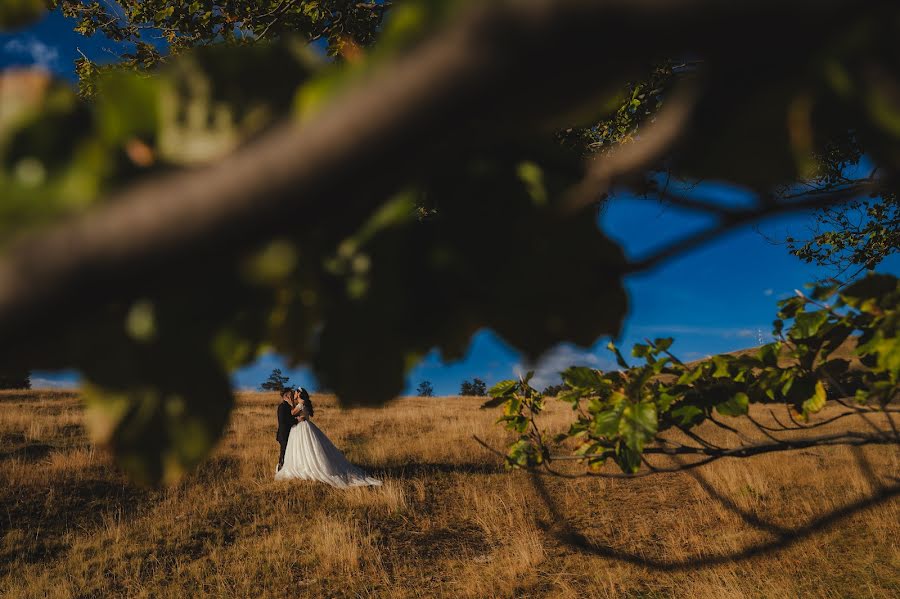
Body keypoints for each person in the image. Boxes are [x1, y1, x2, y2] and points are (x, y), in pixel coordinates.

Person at [275, 387, 381, 488]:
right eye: (293, 393)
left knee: (306, 448)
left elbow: (292, 413)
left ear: (299, 394)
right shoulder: (300, 403)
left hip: (302, 428)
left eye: (296, 392)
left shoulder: (301, 403)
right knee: (304, 449)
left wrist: (292, 406)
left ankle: (306, 468)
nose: (294, 393)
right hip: (300, 428)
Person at [275, 387, 297, 473]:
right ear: (285, 396)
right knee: (284, 452)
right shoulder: (282, 406)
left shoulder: (290, 406)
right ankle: (280, 470)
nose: (292, 397)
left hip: (289, 433)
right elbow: (284, 421)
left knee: (288, 452)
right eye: (290, 395)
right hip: (284, 434)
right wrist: (296, 420)